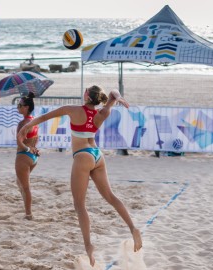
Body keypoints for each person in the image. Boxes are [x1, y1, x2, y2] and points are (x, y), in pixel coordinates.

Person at [18, 85, 142, 266]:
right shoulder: (103, 112)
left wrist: (26, 127)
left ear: (86, 96)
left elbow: (44, 117)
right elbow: (114, 93)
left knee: (79, 205)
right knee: (111, 196)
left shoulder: (72, 109)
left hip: (83, 156)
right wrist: (118, 97)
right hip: (97, 155)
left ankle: (89, 246)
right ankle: (133, 228)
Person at [15, 92, 40, 220]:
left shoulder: (23, 123)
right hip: (33, 157)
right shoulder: (34, 121)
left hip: (23, 156)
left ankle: (28, 214)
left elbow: (19, 140)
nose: (18, 107)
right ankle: (27, 210)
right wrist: (34, 149)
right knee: (20, 183)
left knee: (25, 187)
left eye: (20, 105)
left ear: (26, 107)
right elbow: (36, 138)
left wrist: (26, 148)